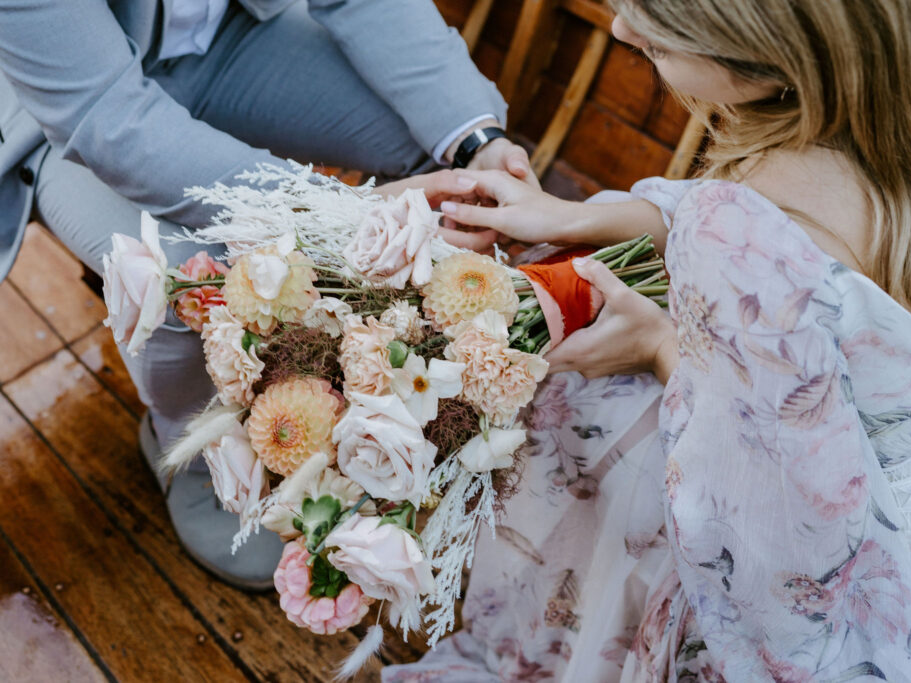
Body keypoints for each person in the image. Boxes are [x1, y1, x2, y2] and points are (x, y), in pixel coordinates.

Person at [385, 0, 911, 680]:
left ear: (772, 50)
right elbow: (795, 236)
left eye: (661, 28)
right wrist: (573, 216)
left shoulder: (747, 228)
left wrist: (662, 348)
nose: (625, 29)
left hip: (860, 621)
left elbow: (780, 550)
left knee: (578, 411)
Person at [0, 0, 534, 590]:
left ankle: (405, 383)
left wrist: (474, 142)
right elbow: (109, 120)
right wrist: (334, 214)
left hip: (226, 36)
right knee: (180, 276)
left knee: (439, 150)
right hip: (58, 109)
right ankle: (189, 444)